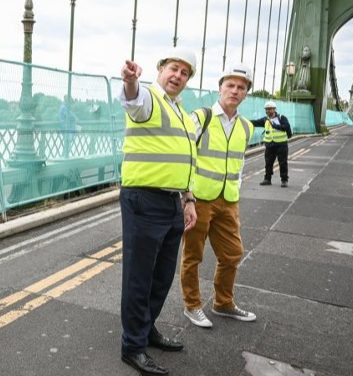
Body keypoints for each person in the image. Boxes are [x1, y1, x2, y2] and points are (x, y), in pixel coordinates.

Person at [119, 48, 198, 376]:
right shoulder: (149, 97)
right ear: (160, 69)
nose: (178, 76)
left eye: (185, 73)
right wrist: (131, 82)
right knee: (139, 276)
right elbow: (133, 101)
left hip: (172, 203)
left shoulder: (182, 112)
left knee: (162, 276)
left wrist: (189, 198)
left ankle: (146, 329)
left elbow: (188, 159)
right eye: (173, 68)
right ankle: (132, 346)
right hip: (144, 200)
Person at [180, 64, 257, 329]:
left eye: (241, 87)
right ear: (220, 88)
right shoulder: (201, 118)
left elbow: (239, 163)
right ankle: (192, 305)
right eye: (230, 85)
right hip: (199, 199)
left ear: (246, 93)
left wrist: (234, 191)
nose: (235, 91)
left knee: (233, 254)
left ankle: (223, 303)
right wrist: (186, 195)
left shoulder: (246, 127)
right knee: (193, 256)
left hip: (229, 200)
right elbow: (183, 154)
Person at [252, 101, 293, 187]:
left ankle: (284, 180)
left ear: (274, 109)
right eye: (266, 109)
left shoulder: (282, 118)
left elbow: (286, 128)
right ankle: (267, 179)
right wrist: (242, 121)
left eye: (270, 109)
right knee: (268, 163)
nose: (268, 111)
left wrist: (276, 126)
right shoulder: (265, 119)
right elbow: (255, 122)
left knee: (282, 163)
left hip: (281, 144)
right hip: (270, 145)